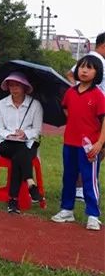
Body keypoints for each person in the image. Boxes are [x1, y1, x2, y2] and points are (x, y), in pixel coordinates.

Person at [52, 54, 105, 230]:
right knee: (69, 177)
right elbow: (67, 109)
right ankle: (67, 209)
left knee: (90, 180)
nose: (84, 70)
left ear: (97, 73)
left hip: (89, 147)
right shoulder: (70, 92)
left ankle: (93, 215)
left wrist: (99, 144)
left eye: (89, 68)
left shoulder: (98, 95)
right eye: (81, 67)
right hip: (70, 144)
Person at [0, 72, 44, 214]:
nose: (13, 88)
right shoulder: (1, 104)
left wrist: (25, 134)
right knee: (19, 152)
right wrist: (10, 134)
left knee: (19, 156)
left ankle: (13, 201)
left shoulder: (35, 105)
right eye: (11, 85)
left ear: (24, 87)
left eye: (17, 85)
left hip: (28, 143)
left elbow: (37, 130)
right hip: (6, 143)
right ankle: (30, 181)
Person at [65, 32, 105, 201]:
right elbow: (70, 74)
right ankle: (82, 187)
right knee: (93, 152)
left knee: (94, 151)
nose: (85, 70)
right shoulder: (95, 60)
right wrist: (80, 95)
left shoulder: (93, 59)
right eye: (84, 68)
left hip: (96, 109)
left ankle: (82, 185)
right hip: (96, 113)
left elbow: (69, 74)